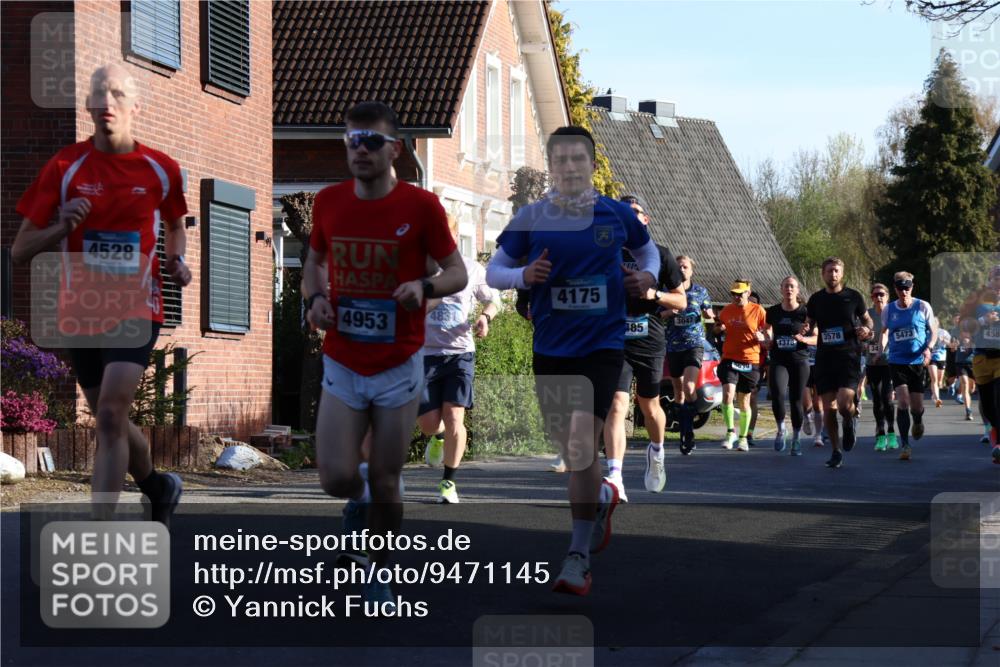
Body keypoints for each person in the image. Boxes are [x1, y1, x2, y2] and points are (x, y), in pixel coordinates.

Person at [486, 126, 667, 595]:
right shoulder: (531, 218)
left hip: (602, 346)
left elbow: (648, 251)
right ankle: (603, 495)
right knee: (571, 450)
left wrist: (645, 276)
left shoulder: (615, 213)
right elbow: (494, 270)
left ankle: (577, 557)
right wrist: (524, 273)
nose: (569, 168)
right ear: (552, 166)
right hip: (551, 347)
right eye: (560, 160)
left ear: (590, 164)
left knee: (583, 445)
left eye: (578, 160)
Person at [303, 101, 468, 607]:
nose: (360, 150)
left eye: (371, 141)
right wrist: (314, 299)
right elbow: (314, 260)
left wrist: (423, 285)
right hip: (344, 360)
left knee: (390, 477)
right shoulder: (329, 202)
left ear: (394, 149)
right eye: (351, 141)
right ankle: (363, 500)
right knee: (336, 476)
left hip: (398, 363)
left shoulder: (421, 208)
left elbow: (457, 273)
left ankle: (379, 569)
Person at [12, 63, 190, 523]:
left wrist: (175, 260)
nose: (106, 102)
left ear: (134, 105)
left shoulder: (160, 169)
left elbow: (174, 224)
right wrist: (61, 225)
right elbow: (18, 251)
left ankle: (102, 532)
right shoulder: (65, 167)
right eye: (98, 94)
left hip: (138, 307)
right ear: (88, 105)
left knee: (110, 412)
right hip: (81, 311)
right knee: (109, 416)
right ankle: (157, 484)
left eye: (116, 93)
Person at [601, 196, 684, 500]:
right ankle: (615, 476)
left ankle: (657, 452)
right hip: (614, 337)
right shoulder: (605, 253)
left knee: (649, 405)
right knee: (616, 405)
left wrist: (653, 293)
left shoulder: (660, 255)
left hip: (649, 337)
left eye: (634, 214)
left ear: (645, 220)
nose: (629, 218)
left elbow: (681, 300)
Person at [418, 215, 502, 503]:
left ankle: (448, 483)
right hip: (426, 354)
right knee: (429, 423)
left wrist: (484, 316)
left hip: (460, 354)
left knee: (455, 416)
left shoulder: (471, 268)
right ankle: (437, 437)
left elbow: (494, 299)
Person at [805, 258, 874, 469]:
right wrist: (804, 328)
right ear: (822, 274)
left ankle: (850, 418)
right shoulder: (816, 299)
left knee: (844, 404)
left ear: (841, 274)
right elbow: (809, 324)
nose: (832, 275)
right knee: (829, 409)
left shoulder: (853, 297)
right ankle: (836, 451)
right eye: (829, 271)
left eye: (836, 271)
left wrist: (867, 330)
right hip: (825, 358)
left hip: (848, 357)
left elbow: (867, 320)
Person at [879, 272, 937, 461]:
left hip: (917, 361)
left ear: (912, 287)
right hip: (897, 361)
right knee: (902, 402)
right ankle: (905, 444)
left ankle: (918, 420)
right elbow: (885, 332)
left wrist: (928, 348)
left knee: (916, 406)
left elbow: (933, 331)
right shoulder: (889, 310)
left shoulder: (922, 306)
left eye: (907, 287)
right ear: (895, 289)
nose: (904, 291)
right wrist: (882, 347)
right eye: (900, 288)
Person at [662, 255, 715, 456]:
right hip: (673, 346)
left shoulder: (700, 291)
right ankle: (685, 432)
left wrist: (710, 315)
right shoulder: (668, 293)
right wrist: (669, 313)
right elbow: (657, 315)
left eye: (685, 267)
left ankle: (688, 432)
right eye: (679, 267)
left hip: (694, 345)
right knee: (678, 392)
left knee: (690, 386)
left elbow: (708, 311)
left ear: (691, 270)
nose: (682, 269)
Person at [713, 280, 767, 452]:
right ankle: (730, 433)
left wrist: (763, 337)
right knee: (728, 395)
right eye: (734, 294)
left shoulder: (758, 311)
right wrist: (718, 328)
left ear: (748, 293)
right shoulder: (726, 311)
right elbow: (715, 329)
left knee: (744, 401)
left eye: (740, 293)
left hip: (750, 360)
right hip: (729, 358)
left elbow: (768, 333)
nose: (737, 297)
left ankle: (743, 438)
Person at [765, 276, 815, 455]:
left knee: (795, 399)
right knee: (777, 393)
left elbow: (817, 336)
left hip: (799, 360)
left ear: (797, 290)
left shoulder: (805, 312)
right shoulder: (773, 311)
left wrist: (804, 339)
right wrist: (768, 340)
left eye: (792, 286)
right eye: (786, 286)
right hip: (779, 359)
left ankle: (796, 438)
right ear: (781, 289)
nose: (789, 289)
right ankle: (780, 429)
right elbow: (767, 328)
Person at [959, 264, 1000, 464]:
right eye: (995, 278)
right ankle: (994, 432)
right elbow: (964, 324)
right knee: (988, 403)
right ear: (989, 280)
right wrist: (983, 320)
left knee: (999, 398)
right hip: (982, 357)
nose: (998, 282)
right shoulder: (976, 300)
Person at [866, 284, 897, 452]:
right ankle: (881, 434)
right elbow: (860, 336)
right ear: (871, 297)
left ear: (887, 296)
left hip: (889, 363)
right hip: (872, 363)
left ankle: (891, 432)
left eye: (882, 294)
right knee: (877, 399)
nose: (878, 297)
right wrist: (864, 337)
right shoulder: (868, 316)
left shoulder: (893, 313)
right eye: (875, 294)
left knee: (887, 398)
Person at [929, 318, 950, 408]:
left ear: (937, 323)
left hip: (941, 357)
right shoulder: (927, 332)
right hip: (931, 357)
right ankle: (937, 398)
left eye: (935, 322)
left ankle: (934, 394)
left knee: (939, 381)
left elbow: (950, 344)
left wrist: (944, 340)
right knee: (934, 379)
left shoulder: (943, 332)